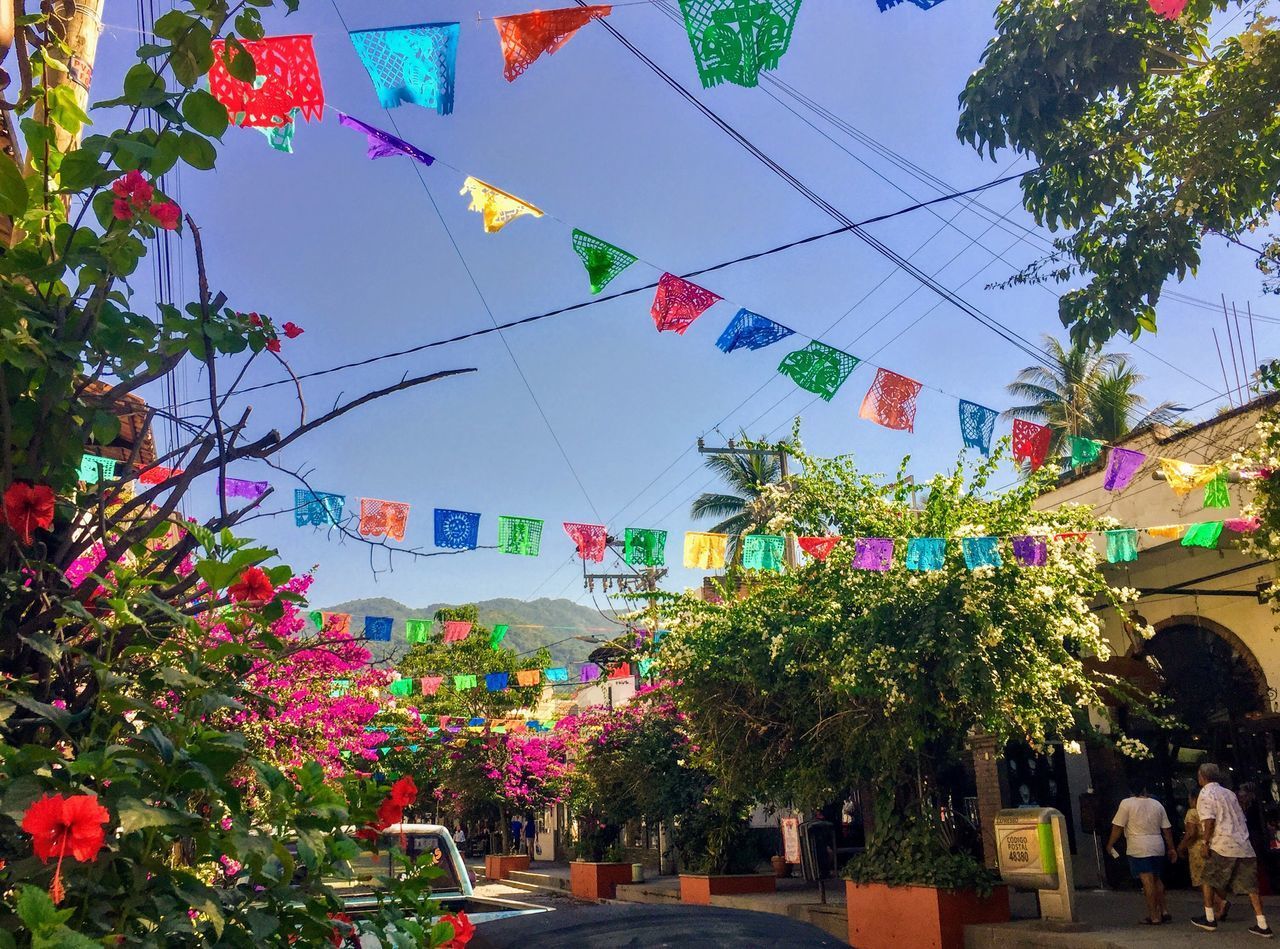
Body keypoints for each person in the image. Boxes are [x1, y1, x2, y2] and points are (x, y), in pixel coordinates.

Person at [1192, 762, 1273, 937]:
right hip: (1243, 844)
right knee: (1251, 887)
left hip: (1222, 843)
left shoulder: (1205, 794)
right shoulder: (1229, 793)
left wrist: (1205, 843)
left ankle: (1209, 917)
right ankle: (1262, 923)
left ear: (1202, 777)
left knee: (1207, 878)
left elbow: (1209, 821)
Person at [1106, 782, 1177, 925]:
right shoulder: (1157, 804)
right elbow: (1167, 829)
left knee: (1147, 881)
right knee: (1157, 879)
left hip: (1138, 846)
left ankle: (1154, 915)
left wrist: (1110, 844)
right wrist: (1171, 848)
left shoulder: (1126, 804)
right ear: (1145, 789)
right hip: (1157, 844)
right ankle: (1164, 910)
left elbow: (1118, 827)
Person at [1180, 789, 1207, 893]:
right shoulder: (1209, 811)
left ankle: (1215, 903)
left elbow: (1191, 833)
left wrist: (1181, 846)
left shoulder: (1192, 812)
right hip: (1210, 844)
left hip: (1197, 848)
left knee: (1200, 879)